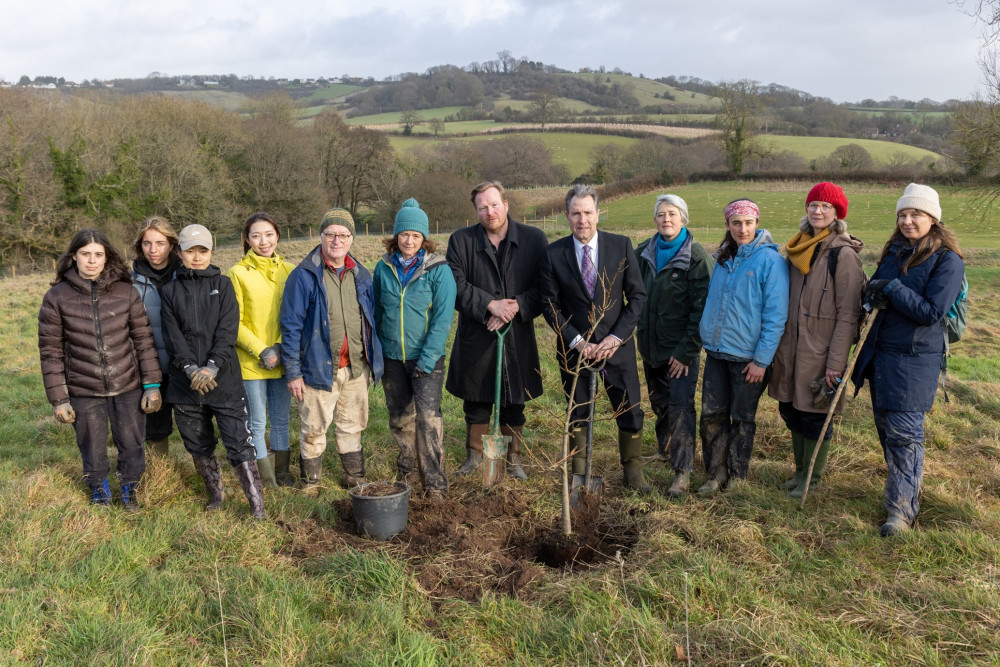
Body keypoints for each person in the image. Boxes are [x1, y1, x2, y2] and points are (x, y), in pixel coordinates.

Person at [851, 183, 965, 537]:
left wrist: (891, 288)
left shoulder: (948, 260)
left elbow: (932, 311)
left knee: (904, 437)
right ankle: (903, 494)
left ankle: (900, 514)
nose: (908, 220)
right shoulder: (895, 251)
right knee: (887, 432)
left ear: (933, 218)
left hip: (914, 361)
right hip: (881, 357)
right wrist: (872, 294)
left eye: (916, 214)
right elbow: (883, 290)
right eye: (903, 214)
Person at [38, 229, 162, 510]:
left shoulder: (125, 292)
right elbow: (51, 352)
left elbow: (143, 340)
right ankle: (100, 490)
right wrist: (59, 399)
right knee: (92, 446)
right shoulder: (56, 297)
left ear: (107, 258)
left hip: (128, 384)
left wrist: (152, 385)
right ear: (74, 257)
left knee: (132, 443)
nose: (91, 261)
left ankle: (130, 488)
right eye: (85, 254)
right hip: (84, 388)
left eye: (98, 255)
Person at [541, 184, 650, 493]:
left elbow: (638, 297)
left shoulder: (621, 246)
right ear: (566, 216)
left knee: (629, 407)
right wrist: (577, 341)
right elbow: (549, 304)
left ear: (598, 213)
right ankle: (578, 475)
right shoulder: (553, 253)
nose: (582, 220)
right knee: (577, 411)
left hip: (616, 348)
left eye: (588, 212)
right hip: (575, 350)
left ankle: (632, 472)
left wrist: (616, 338)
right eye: (575, 213)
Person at [160, 224, 266, 519]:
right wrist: (191, 369)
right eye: (190, 251)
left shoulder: (224, 285)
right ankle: (216, 493)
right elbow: (173, 336)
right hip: (185, 383)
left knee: (237, 439)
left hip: (224, 379)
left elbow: (227, 330)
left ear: (211, 252)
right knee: (197, 440)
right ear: (179, 253)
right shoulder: (169, 291)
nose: (197, 257)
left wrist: (212, 367)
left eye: (203, 251)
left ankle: (256, 503)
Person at [769, 183, 866, 497]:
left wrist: (836, 364)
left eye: (826, 206)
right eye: (813, 205)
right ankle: (798, 473)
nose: (818, 211)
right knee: (791, 410)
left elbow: (848, 316)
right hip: (791, 348)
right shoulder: (799, 248)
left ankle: (813, 478)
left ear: (837, 213)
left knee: (815, 413)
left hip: (821, 352)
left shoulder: (843, 254)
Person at [446, 181, 548, 479]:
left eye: (493, 204)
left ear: (505, 204)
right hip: (478, 332)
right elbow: (455, 285)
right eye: (482, 207)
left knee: (514, 398)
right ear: (476, 211)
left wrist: (515, 306)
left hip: (516, 334)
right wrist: (490, 305)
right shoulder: (461, 241)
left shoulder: (534, 239)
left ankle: (513, 458)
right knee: (476, 398)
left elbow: (544, 287)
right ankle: (474, 456)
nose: (489, 212)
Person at [280, 208, 383, 494]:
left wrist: (372, 362)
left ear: (352, 238)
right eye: (330, 234)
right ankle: (311, 482)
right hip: (317, 368)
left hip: (355, 367)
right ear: (321, 236)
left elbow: (370, 321)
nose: (336, 240)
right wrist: (293, 372)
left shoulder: (361, 274)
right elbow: (290, 327)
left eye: (343, 234)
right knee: (314, 427)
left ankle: (354, 476)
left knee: (352, 424)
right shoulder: (304, 275)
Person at [698, 199, 789, 495]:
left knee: (741, 418)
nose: (743, 229)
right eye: (736, 223)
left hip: (748, 359)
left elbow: (776, 315)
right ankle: (715, 472)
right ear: (728, 225)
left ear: (757, 224)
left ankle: (737, 474)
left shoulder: (770, 261)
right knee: (712, 415)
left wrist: (762, 361)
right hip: (716, 352)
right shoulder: (724, 258)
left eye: (748, 223)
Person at [374, 199, 457, 500]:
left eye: (416, 235)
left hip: (427, 358)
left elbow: (443, 317)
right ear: (396, 236)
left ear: (424, 239)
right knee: (399, 417)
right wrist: (379, 352)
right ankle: (407, 475)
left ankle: (435, 484)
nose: (409, 240)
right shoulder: (382, 268)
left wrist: (428, 356)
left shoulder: (438, 270)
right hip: (393, 357)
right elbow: (378, 312)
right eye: (404, 234)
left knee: (428, 419)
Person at [635, 194, 712, 498]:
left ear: (683, 218)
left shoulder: (696, 257)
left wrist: (686, 351)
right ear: (654, 220)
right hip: (651, 346)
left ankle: (683, 471)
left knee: (681, 408)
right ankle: (665, 449)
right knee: (659, 403)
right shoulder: (642, 252)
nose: (666, 220)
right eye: (661, 215)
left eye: (672, 214)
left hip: (681, 350)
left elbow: (702, 310)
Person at [228, 212, 296, 488]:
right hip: (251, 361)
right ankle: (265, 479)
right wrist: (262, 350)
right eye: (256, 235)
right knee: (257, 421)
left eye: (269, 234)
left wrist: (279, 347)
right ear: (247, 239)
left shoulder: (290, 271)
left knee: (281, 420)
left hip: (283, 357)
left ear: (277, 236)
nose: (263, 241)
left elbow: (294, 314)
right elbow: (235, 322)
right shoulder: (237, 273)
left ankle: (282, 474)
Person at [131, 215, 182, 458]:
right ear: (139, 246)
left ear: (171, 244)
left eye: (160, 243)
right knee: (155, 427)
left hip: (183, 362)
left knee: (194, 425)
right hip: (149, 366)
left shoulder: (185, 274)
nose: (153, 250)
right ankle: (159, 477)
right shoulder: (129, 282)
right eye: (147, 243)